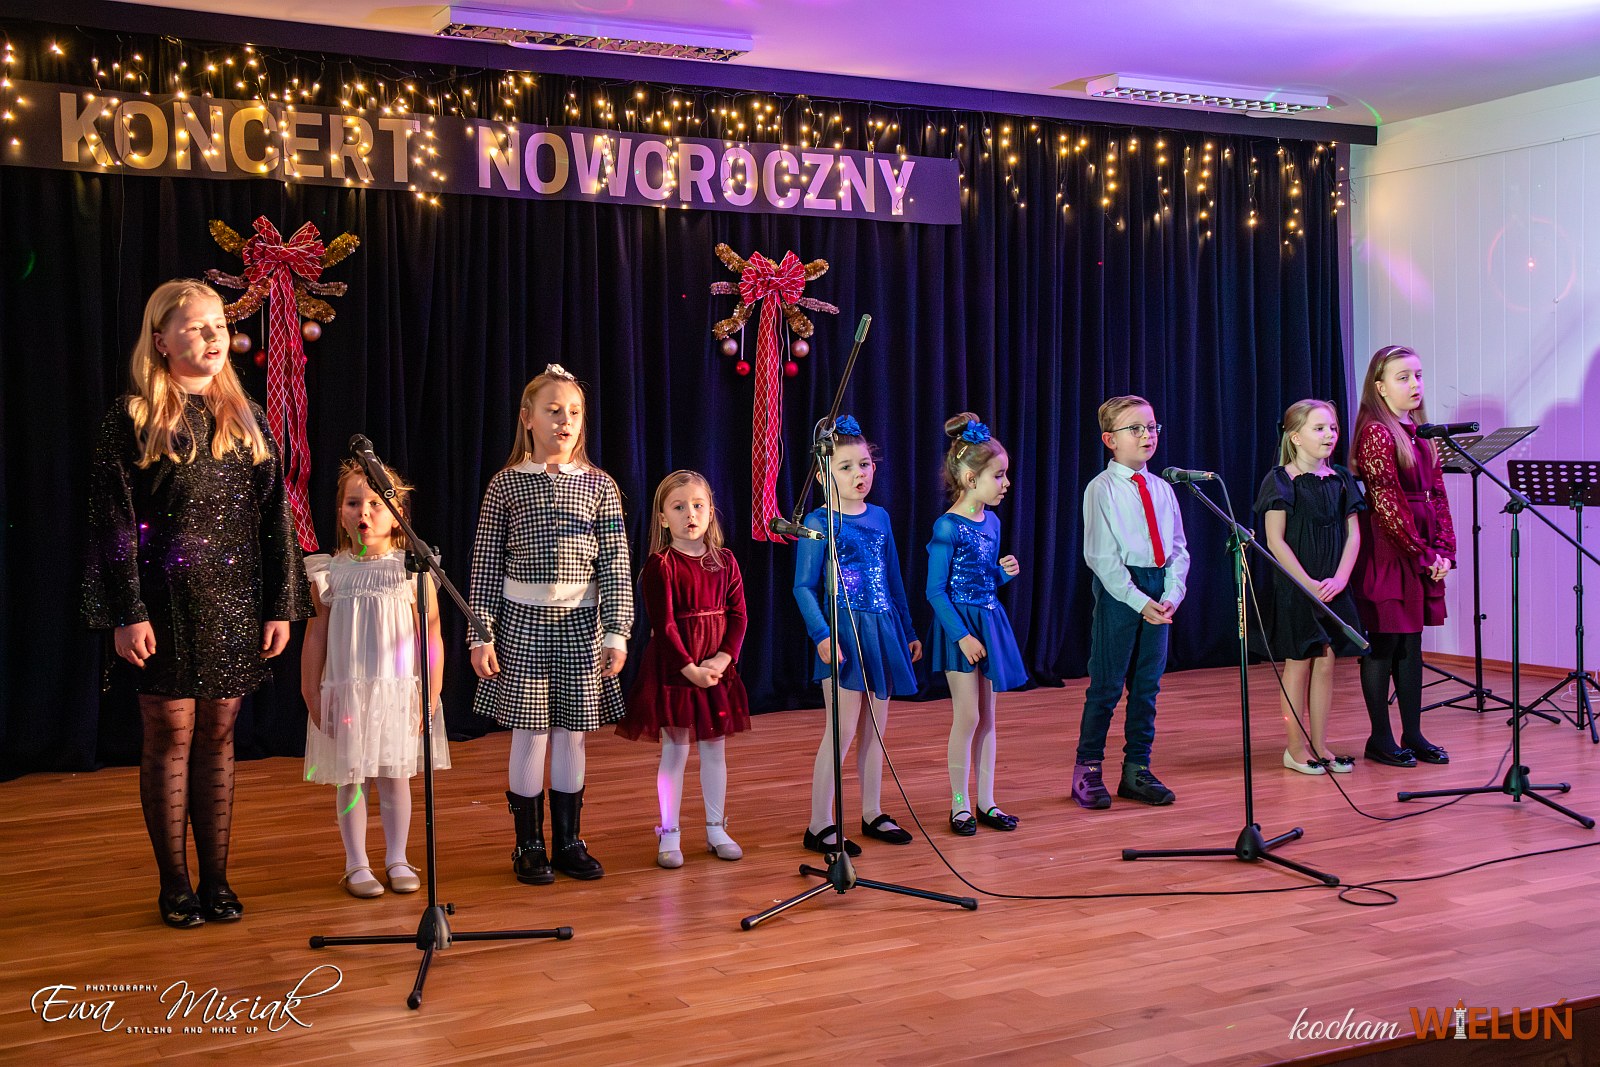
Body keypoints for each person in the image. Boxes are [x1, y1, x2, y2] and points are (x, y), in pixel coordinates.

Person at [83, 278, 311, 928]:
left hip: (232, 604)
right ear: (161, 340)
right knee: (171, 736)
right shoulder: (132, 418)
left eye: (220, 325)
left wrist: (280, 604)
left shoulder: (244, 415)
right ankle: (175, 884)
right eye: (196, 326)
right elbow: (113, 525)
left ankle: (217, 880)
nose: (214, 337)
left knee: (218, 736)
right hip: (163, 608)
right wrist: (127, 611)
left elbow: (275, 519)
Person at [469, 364, 632, 883]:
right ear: (528, 418)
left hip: (582, 626)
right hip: (521, 624)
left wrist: (617, 632)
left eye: (574, 412)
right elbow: (485, 565)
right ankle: (528, 845)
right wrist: (481, 634)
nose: (565, 421)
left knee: (572, 734)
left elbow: (616, 564)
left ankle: (568, 840)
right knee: (531, 732)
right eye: (554, 410)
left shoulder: (600, 486)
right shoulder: (505, 485)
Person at [301, 460, 450, 898]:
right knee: (351, 777)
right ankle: (356, 863)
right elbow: (316, 634)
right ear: (341, 513)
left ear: (397, 515)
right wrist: (310, 690)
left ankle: (398, 857)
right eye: (353, 503)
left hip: (397, 692)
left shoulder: (413, 569)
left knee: (394, 775)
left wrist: (431, 691)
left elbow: (431, 633)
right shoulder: (329, 572)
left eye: (376, 503)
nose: (364, 512)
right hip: (347, 692)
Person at [794, 415, 921, 855]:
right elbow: (803, 586)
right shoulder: (818, 521)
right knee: (842, 731)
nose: (858, 474)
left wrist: (907, 629)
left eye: (864, 464)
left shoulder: (880, 517)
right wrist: (821, 634)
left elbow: (892, 578)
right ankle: (819, 823)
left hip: (883, 629)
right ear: (823, 475)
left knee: (875, 731)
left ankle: (872, 811)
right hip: (844, 633)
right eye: (846, 467)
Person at [619, 471, 750, 868]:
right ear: (663, 518)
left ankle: (716, 828)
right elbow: (665, 625)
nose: (690, 514)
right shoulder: (661, 565)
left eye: (697, 505)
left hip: (715, 670)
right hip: (676, 670)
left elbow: (739, 615)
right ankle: (669, 832)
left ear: (710, 512)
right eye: (678, 507)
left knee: (715, 750)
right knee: (675, 751)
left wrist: (722, 660)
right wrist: (690, 669)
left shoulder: (725, 561)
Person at [1071, 395, 1189, 809]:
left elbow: (1178, 549)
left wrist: (1172, 594)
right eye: (1135, 428)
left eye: (1152, 427)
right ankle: (1087, 769)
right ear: (1110, 440)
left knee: (1146, 687)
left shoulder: (1163, 489)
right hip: (1121, 590)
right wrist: (1138, 600)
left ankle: (1137, 768)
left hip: (1159, 590)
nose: (1146, 435)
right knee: (1106, 685)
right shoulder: (1101, 489)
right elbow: (1101, 556)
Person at [1350, 345, 1456, 767]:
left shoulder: (1422, 431)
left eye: (1418, 375)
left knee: (1412, 643)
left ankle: (1413, 733)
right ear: (1380, 387)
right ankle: (1380, 737)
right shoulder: (1377, 432)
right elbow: (1388, 503)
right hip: (1390, 547)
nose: (1415, 384)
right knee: (1385, 641)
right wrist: (1423, 553)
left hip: (1421, 547)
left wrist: (1444, 550)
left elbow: (1439, 495)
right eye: (1403, 377)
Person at [926, 413, 1027, 835]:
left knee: (988, 718)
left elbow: (982, 578)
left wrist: (1002, 573)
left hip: (988, 619)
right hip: (960, 629)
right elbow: (936, 591)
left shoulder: (993, 522)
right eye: (998, 475)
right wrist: (962, 636)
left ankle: (987, 801)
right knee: (967, 716)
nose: (1006, 483)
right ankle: (959, 805)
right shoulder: (947, 526)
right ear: (970, 478)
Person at [1253, 400, 1365, 775]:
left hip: (1332, 585)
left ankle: (1320, 743)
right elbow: (1275, 540)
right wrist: (1307, 584)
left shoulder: (1340, 479)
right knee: (1298, 662)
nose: (1329, 435)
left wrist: (1341, 579)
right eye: (1319, 428)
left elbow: (1353, 534)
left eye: (1332, 428)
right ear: (1295, 436)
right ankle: (1294, 747)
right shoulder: (1280, 480)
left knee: (1326, 663)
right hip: (1299, 586)